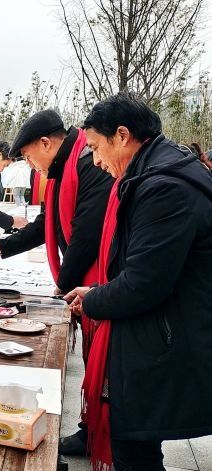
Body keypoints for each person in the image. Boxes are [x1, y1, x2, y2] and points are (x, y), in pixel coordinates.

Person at [65, 92, 212, 471]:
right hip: (161, 334)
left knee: (134, 450)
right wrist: (98, 292)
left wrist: (93, 301)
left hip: (166, 340)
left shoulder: (165, 187)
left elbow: (144, 284)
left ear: (123, 135)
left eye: (97, 148)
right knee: (136, 446)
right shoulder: (157, 173)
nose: (96, 161)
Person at [0, 110, 113, 456]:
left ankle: (107, 437)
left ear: (46, 143)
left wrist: (64, 288)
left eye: (28, 157)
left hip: (104, 278)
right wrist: (6, 244)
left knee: (111, 366)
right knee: (94, 358)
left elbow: (85, 235)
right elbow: (48, 222)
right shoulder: (62, 169)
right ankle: (92, 430)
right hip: (86, 278)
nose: (31, 165)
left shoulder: (87, 162)